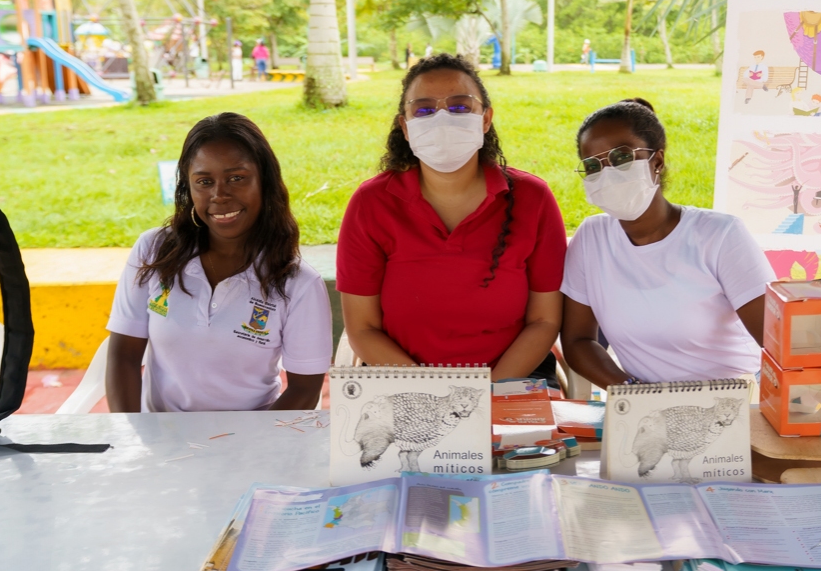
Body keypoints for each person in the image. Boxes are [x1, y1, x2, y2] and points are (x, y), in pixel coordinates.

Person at [337, 54, 567, 384]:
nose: (442, 118)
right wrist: (434, 395)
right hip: (402, 383)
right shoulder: (371, 204)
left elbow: (544, 321)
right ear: (405, 126)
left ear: (486, 119)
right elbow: (362, 328)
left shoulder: (533, 198)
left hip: (511, 380)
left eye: (460, 107)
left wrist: (485, 394)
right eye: (424, 110)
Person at [106, 113, 332, 412]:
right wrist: (134, 438)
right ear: (188, 188)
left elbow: (305, 391)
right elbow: (123, 355)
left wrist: (240, 450)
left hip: (251, 446)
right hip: (162, 446)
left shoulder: (298, 282)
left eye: (237, 178)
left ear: (265, 181)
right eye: (204, 181)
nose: (220, 195)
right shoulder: (154, 250)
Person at [560, 99, 775, 385]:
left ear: (657, 161)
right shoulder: (591, 238)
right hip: (647, 409)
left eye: (621, 158)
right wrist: (632, 393)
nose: (607, 173)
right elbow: (578, 340)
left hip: (733, 401)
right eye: (592, 165)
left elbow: (777, 343)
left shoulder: (720, 235)